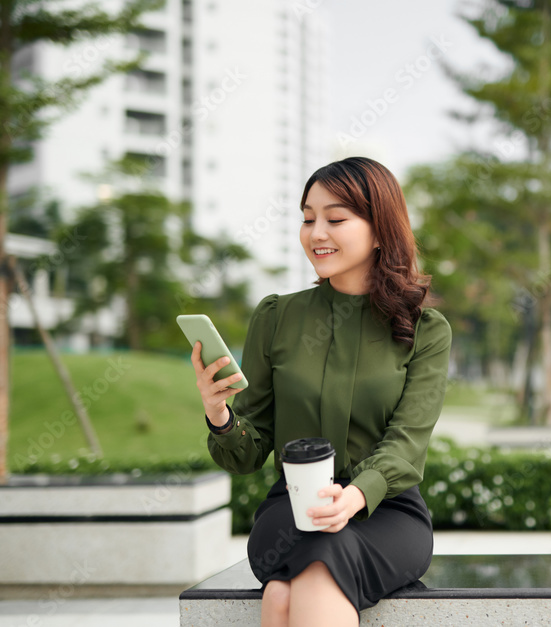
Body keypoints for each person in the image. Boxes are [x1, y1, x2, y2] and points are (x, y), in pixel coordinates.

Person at [190, 157, 452, 626]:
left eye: (336, 219)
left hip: (387, 513)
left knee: (282, 597)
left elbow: (407, 444)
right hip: (290, 510)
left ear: (379, 229)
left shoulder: (425, 330)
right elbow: (247, 453)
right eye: (308, 218)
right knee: (313, 553)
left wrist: (353, 497)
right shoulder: (276, 318)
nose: (316, 233)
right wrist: (220, 415)